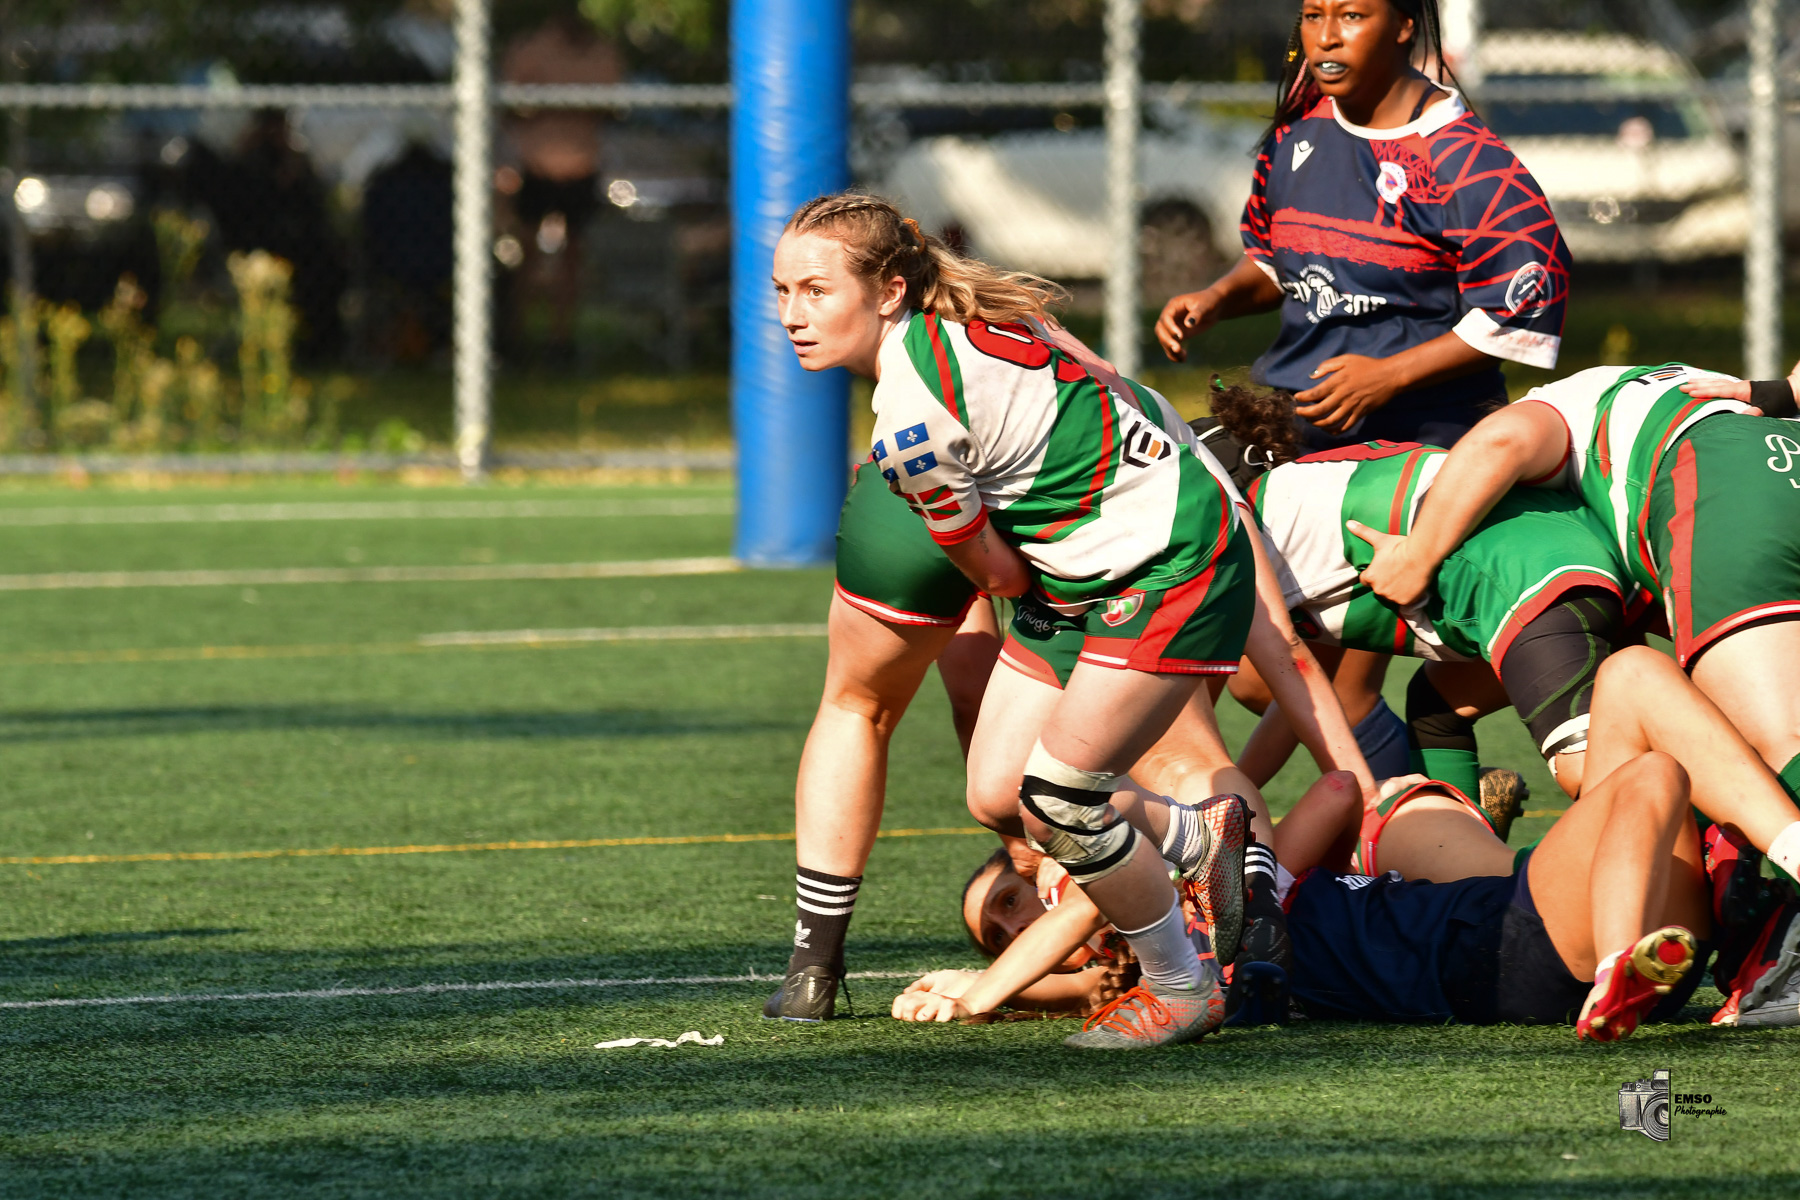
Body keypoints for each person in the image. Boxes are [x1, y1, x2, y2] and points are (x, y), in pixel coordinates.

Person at [773, 192, 1374, 1049]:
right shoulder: (985, 317)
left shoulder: (910, 429)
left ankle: (1180, 987)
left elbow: (998, 573)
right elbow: (1125, 397)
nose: (793, 315)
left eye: (816, 291)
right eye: (782, 291)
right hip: (1099, 563)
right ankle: (1194, 834)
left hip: (1161, 563)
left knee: (1058, 803)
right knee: (995, 792)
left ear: (891, 290)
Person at [1156, 0, 1572, 807]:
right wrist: (1212, 296)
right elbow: (1277, 261)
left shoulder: (1463, 158)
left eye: (1353, 14)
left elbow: (1521, 308)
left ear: (1405, 26)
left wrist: (1391, 376)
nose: (1327, 36)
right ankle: (1420, 793)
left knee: (1342, 688)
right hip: (1292, 434)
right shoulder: (1301, 130)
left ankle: (1419, 831)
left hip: (1412, 453)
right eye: (1314, 14)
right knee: (1251, 673)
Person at [1357, 362, 1800, 884]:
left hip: (1725, 477)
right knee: (1441, 703)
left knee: (1764, 746)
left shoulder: (1564, 408)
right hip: (1777, 454)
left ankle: (1509, 884)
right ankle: (1471, 877)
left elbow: (1502, 441)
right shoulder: (1663, 401)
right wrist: (1784, 391)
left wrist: (1417, 556)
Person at [1200, 384, 1631, 811]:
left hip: (1525, 578)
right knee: (1437, 711)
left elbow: (1191, 720)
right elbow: (1310, 689)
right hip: (1578, 551)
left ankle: (1684, 849)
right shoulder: (1304, 495)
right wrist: (1239, 794)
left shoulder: (1242, 532)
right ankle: (1463, 845)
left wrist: (1220, 805)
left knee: (1599, 779)